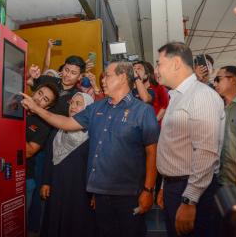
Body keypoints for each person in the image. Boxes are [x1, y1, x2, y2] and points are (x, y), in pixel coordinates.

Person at [21, 61, 160, 237]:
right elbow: (66, 122)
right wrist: (36, 109)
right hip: (100, 194)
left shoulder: (142, 111)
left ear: (123, 77)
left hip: (129, 194)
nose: (102, 80)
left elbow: (152, 153)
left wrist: (148, 190)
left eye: (107, 75)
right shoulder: (96, 108)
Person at [155, 42, 225, 237]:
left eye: (159, 63)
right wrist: (164, 186)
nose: (156, 70)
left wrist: (190, 200)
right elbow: (172, 146)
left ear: (176, 63)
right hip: (174, 186)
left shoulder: (201, 96)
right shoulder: (176, 97)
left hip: (191, 188)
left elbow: (205, 152)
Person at [40, 92, 95, 237]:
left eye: (78, 103)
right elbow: (49, 158)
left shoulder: (93, 134)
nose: (73, 106)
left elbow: (96, 165)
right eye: (72, 103)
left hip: (81, 191)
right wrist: (46, 182)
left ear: (89, 108)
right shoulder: (58, 130)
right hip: (57, 186)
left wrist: (95, 192)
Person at [25, 83, 59, 233]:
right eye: (39, 93)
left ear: (46, 108)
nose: (39, 99)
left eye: (45, 99)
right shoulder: (14, 108)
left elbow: (29, 151)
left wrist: (12, 126)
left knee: (17, 223)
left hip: (25, 178)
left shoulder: (44, 124)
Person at [213, 66, 236, 185]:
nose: (215, 84)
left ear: (232, 79)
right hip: (217, 178)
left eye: (218, 79)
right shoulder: (216, 107)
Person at [145, 61, 169, 126]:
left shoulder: (158, 86)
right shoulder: (137, 89)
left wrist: (155, 121)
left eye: (139, 69)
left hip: (156, 124)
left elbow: (165, 106)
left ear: (147, 73)